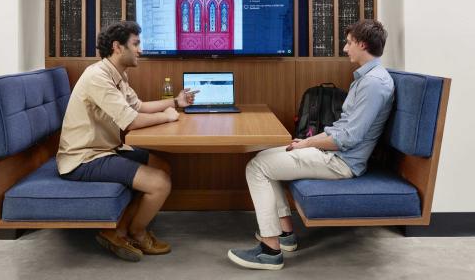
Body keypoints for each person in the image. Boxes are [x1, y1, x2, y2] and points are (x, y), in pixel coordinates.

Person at [227, 19, 394, 270]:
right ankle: (285, 234)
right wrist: (309, 142)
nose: (345, 48)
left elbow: (347, 138)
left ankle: (270, 250)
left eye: (348, 43)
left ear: (362, 43)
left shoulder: (373, 84)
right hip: (333, 153)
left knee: (256, 167)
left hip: (341, 162)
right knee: (263, 157)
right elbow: (344, 130)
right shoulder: (367, 78)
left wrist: (307, 143)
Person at [56, 21, 197, 262]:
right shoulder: (98, 77)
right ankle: (138, 232)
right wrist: (166, 116)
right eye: (136, 44)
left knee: (162, 165)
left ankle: (118, 231)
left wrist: (175, 102)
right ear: (117, 47)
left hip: (106, 150)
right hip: (84, 158)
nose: (140, 50)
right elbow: (130, 121)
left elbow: (138, 106)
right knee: (160, 183)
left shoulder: (118, 74)